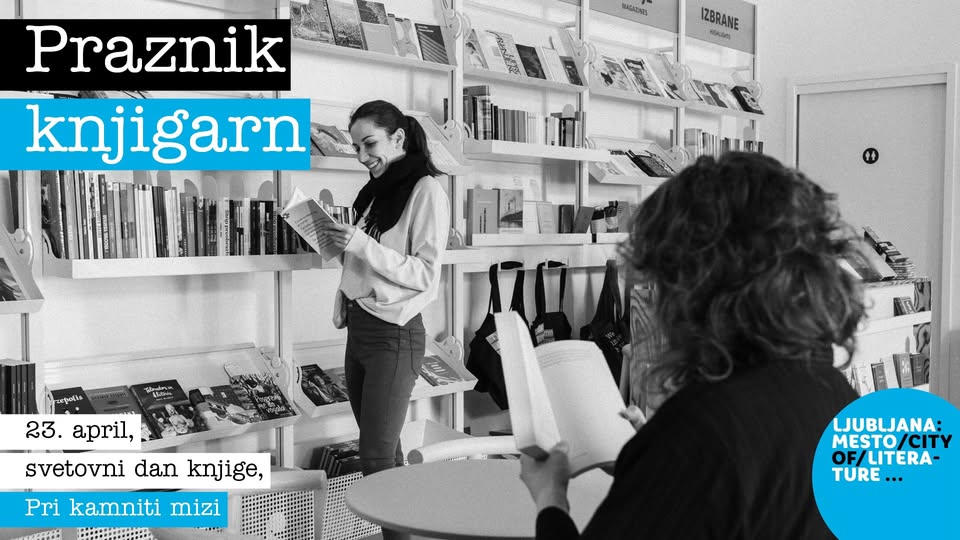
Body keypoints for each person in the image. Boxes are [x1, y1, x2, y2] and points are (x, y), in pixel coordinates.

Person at [520, 152, 864, 539]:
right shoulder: (839, 397)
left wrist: (551, 498)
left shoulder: (698, 434)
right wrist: (649, 464)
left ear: (691, 286)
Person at [320, 99, 450, 531]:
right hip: (360, 328)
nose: (362, 156)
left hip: (394, 334)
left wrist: (360, 244)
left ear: (398, 138)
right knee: (384, 452)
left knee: (374, 458)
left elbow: (425, 273)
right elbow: (366, 260)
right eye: (356, 146)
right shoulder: (373, 195)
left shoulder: (426, 190)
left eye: (370, 144)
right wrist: (333, 246)